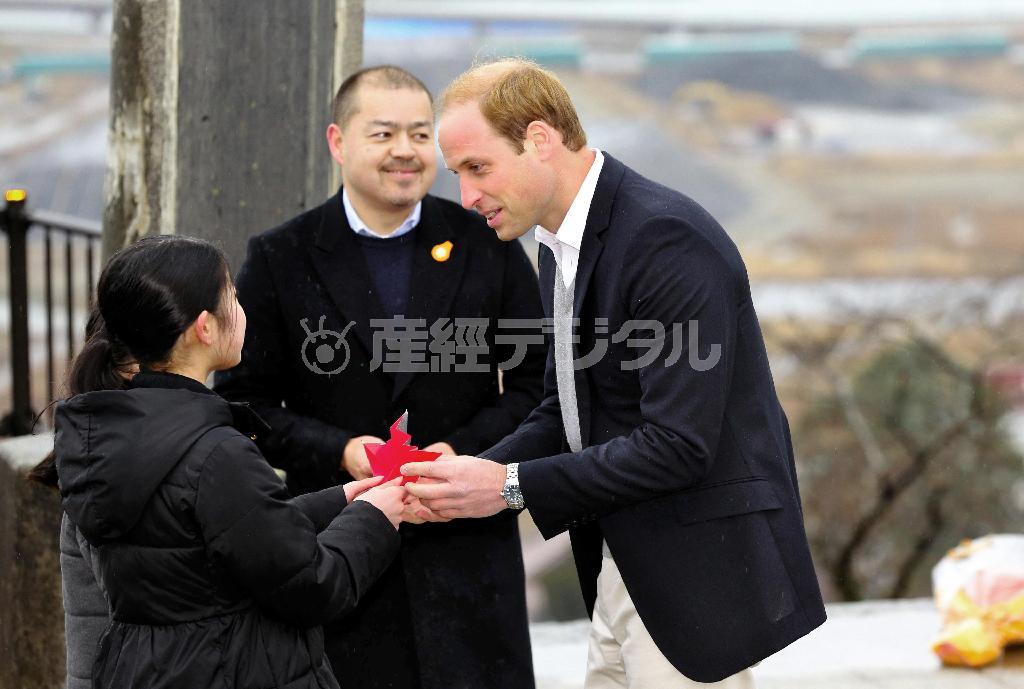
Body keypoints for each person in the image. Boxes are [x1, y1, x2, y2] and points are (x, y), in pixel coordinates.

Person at [402, 59, 828, 688]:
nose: (465, 197)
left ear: (540, 139)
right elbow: (564, 408)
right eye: (458, 174)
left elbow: (677, 446)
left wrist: (507, 486)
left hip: (694, 577)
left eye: (477, 168)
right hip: (621, 562)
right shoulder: (557, 243)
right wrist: (467, 477)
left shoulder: (663, 238)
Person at [214, 65, 545, 689]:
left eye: (421, 135)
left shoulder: (486, 240)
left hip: (465, 544)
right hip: (339, 551)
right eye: (384, 133)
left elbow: (536, 385)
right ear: (339, 142)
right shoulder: (282, 255)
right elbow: (242, 402)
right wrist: (340, 451)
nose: (404, 151)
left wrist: (463, 453)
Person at [53, 234, 407, 689]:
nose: (242, 311)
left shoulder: (105, 435)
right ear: (204, 327)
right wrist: (377, 518)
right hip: (231, 668)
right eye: (233, 297)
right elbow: (314, 586)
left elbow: (203, 545)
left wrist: (342, 500)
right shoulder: (215, 450)